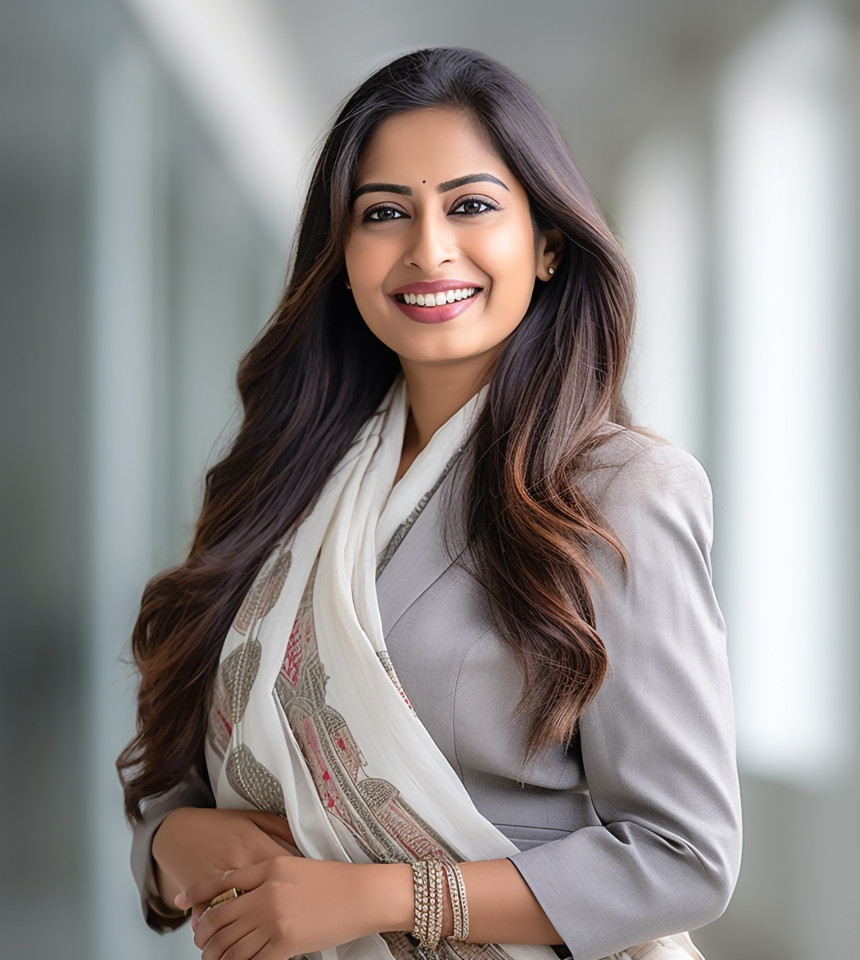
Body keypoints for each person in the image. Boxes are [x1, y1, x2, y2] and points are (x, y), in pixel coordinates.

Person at [118, 46, 741, 960]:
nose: (428, 248)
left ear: (549, 243)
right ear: (342, 257)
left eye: (472, 205)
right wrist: (171, 846)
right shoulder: (285, 481)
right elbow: (177, 772)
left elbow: (685, 855)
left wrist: (374, 896)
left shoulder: (618, 492)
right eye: (384, 214)